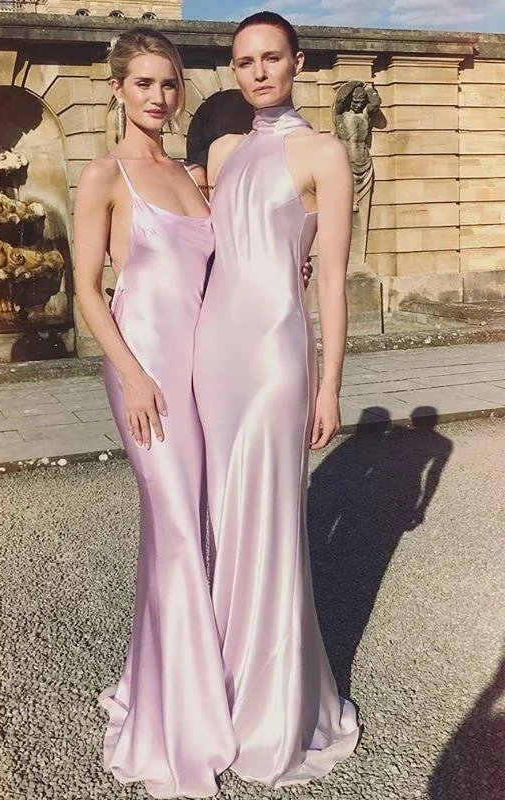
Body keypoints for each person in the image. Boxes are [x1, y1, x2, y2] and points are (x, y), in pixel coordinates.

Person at [192, 11, 360, 788]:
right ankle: (214, 690)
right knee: (220, 517)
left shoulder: (324, 152)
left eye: (271, 57)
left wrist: (330, 383)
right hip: (213, 353)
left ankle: (270, 709)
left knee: (271, 522)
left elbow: (332, 280)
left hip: (273, 358)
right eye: (244, 61)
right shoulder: (223, 152)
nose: (258, 72)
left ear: (297, 62)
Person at [74, 28, 235, 799]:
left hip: (199, 370)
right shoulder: (103, 174)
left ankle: (164, 686)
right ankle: (174, 734)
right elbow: (85, 289)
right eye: (143, 83)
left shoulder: (192, 176)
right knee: (175, 530)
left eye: (168, 83)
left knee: (191, 528)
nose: (158, 97)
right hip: (143, 368)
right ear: (118, 89)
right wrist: (133, 376)